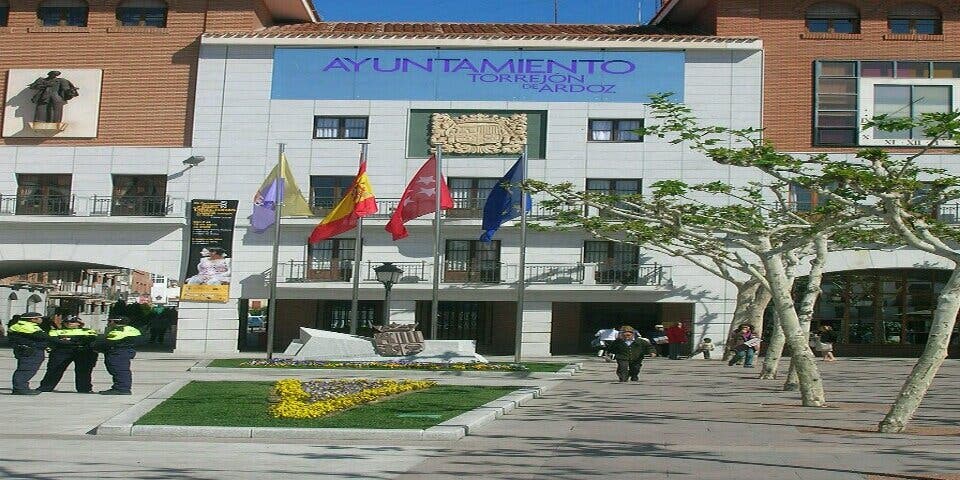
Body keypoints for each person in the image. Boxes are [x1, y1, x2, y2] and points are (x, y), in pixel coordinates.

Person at [38, 316, 98, 393]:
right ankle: (45, 387)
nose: (69, 324)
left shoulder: (88, 331)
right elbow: (54, 340)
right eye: (67, 322)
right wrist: (76, 341)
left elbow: (89, 340)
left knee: (83, 371)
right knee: (54, 370)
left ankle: (84, 388)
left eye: (72, 322)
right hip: (61, 351)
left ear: (79, 323)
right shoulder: (56, 331)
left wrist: (70, 340)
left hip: (82, 351)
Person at [94, 315, 142, 395]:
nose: (108, 323)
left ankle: (121, 388)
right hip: (127, 351)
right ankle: (121, 387)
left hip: (117, 353)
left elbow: (108, 342)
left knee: (118, 370)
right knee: (122, 370)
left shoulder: (118, 331)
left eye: (110, 321)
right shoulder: (132, 329)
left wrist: (95, 347)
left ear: (115, 322)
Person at [8, 312, 49, 395]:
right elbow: (42, 337)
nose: (41, 319)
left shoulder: (25, 325)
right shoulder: (26, 326)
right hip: (30, 351)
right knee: (26, 369)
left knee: (27, 369)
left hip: (29, 350)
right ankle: (20, 388)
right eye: (39, 318)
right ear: (32, 319)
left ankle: (21, 387)